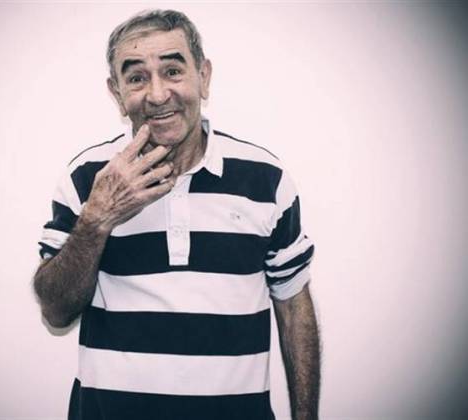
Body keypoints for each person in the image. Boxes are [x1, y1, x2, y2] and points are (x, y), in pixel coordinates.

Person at [34, 9, 320, 420]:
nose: (157, 94)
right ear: (117, 92)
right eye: (136, 78)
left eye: (172, 71)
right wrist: (97, 219)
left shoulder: (265, 179)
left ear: (203, 76)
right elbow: (56, 311)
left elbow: (293, 306)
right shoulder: (86, 178)